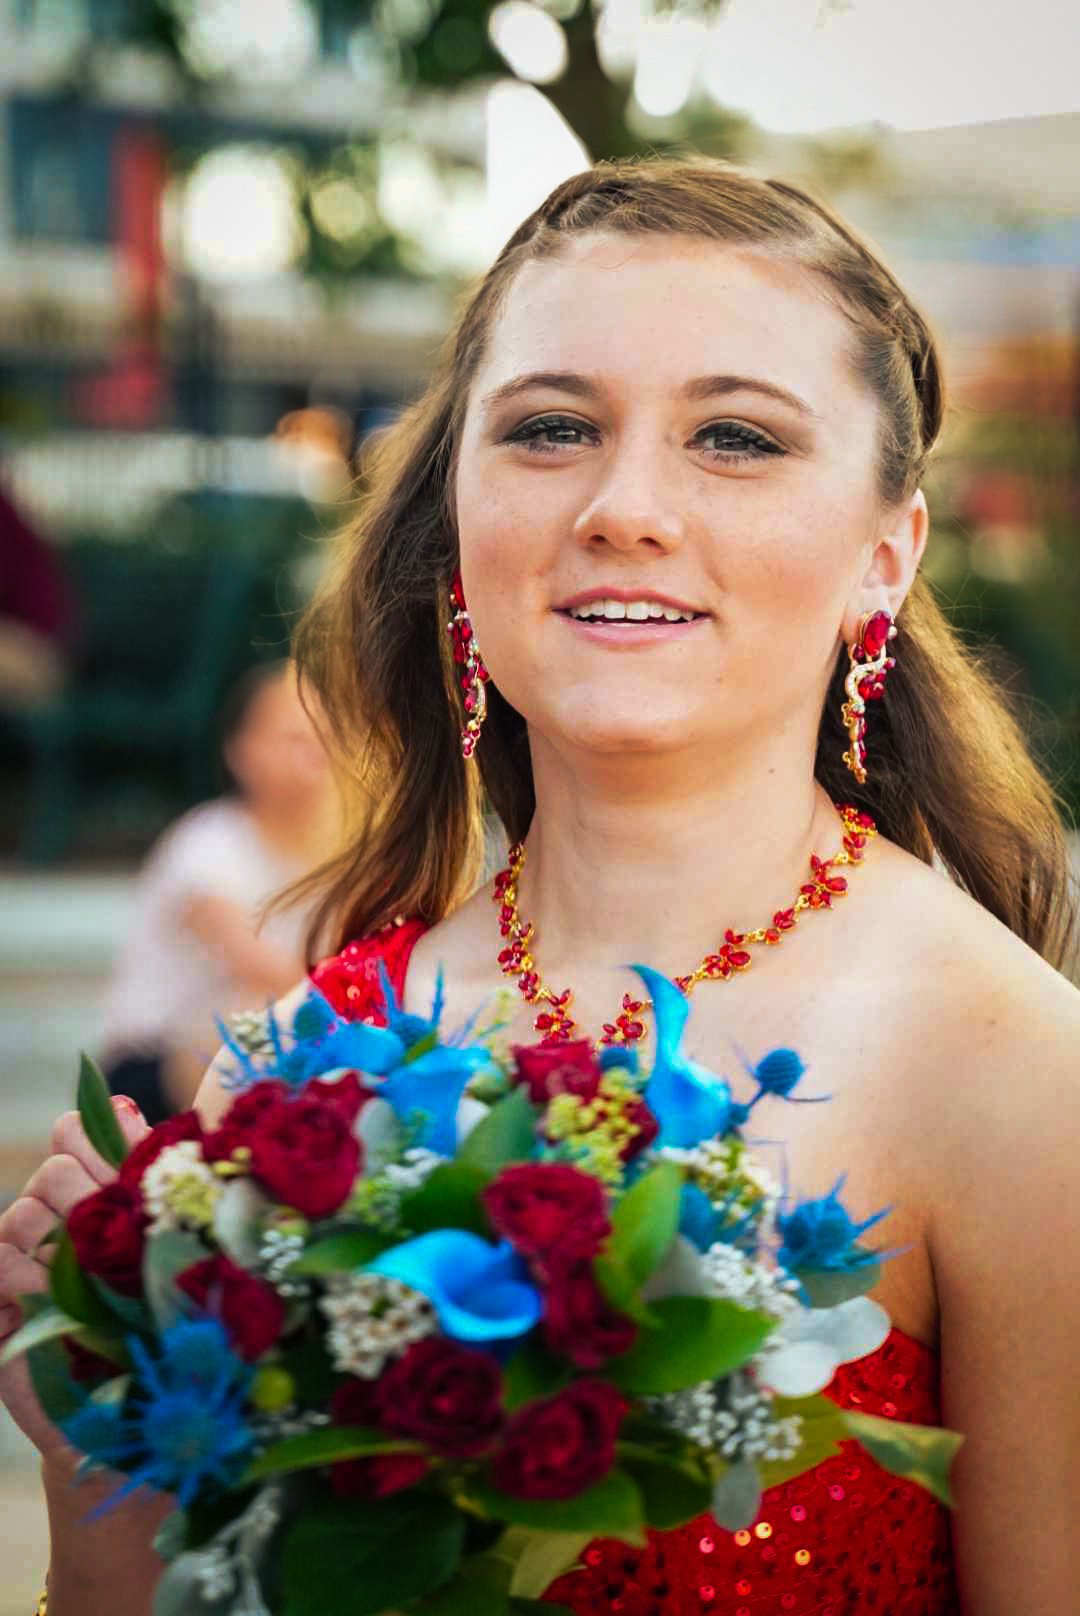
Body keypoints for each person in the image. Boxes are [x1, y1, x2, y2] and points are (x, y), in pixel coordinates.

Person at [2, 157, 1079, 1616]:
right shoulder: (299, 1071)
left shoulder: (1017, 1076)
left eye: (737, 437)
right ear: (457, 521)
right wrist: (102, 1457)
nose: (625, 506)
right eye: (553, 428)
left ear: (885, 555)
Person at [99, 658, 341, 1123]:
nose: (315, 750)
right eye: (293, 737)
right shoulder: (208, 843)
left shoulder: (337, 853)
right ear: (240, 750)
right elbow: (265, 969)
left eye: (326, 733)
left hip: (267, 1054)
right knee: (251, 1019)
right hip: (156, 1067)